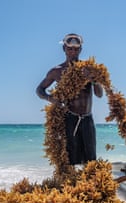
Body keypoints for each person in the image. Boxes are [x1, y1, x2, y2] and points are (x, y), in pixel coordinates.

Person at [36, 33, 103, 165]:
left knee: (91, 158)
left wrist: (93, 80)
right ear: (64, 49)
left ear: (80, 50)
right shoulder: (56, 71)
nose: (73, 52)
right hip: (69, 119)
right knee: (73, 158)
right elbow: (39, 90)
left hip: (87, 119)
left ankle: (90, 183)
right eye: (69, 48)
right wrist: (51, 99)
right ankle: (74, 184)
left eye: (76, 49)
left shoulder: (88, 69)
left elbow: (99, 94)